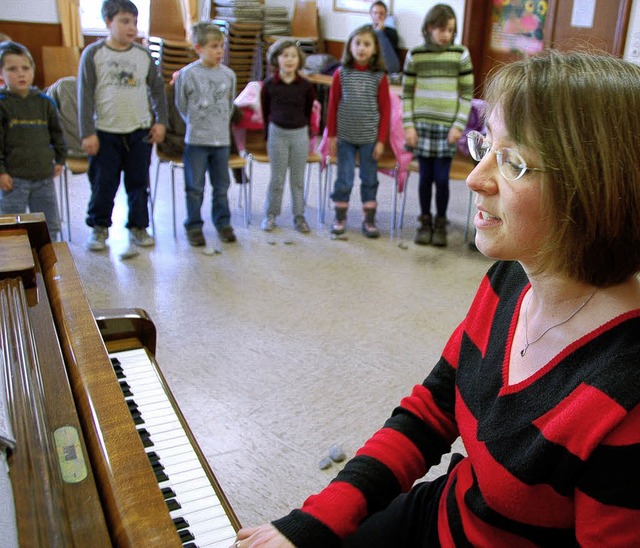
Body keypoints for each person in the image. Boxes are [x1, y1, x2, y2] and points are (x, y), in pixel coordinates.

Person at [233, 49, 640, 547]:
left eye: (512, 162)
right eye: (486, 145)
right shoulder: (508, 281)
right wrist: (316, 522)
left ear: (597, 189)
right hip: (442, 515)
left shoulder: (627, 396)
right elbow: (431, 411)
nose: (474, 178)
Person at [78, 0, 167, 252]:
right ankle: (99, 227)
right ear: (108, 22)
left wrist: (161, 122)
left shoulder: (143, 55)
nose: (132, 28)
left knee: (139, 183)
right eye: (125, 21)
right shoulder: (94, 55)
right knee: (104, 183)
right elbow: (85, 95)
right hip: (105, 132)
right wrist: (87, 132)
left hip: (139, 131)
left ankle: (138, 227)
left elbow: (158, 91)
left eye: (135, 22)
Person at [402, 4, 473, 247]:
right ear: (429, 27)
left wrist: (458, 125)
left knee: (441, 179)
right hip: (422, 127)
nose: (447, 35)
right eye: (442, 29)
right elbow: (407, 94)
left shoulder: (460, 54)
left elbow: (466, 94)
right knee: (425, 177)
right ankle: (425, 222)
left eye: (451, 30)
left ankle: (441, 222)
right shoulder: (416, 55)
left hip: (447, 129)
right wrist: (409, 126)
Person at [175, 22, 237, 246]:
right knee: (195, 188)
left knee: (221, 187)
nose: (220, 51)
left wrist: (217, 125)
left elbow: (229, 107)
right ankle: (193, 225)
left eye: (222, 46)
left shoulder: (229, 75)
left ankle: (223, 223)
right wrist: (197, 124)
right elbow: (181, 105)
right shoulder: (188, 74)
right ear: (198, 48)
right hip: (197, 141)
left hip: (221, 141)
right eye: (213, 46)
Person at [327, 24, 390, 239]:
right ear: (350, 46)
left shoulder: (379, 77)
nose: (361, 48)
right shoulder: (340, 74)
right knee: (343, 179)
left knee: (369, 178)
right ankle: (340, 216)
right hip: (344, 137)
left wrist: (381, 140)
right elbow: (332, 106)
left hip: (369, 139)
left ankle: (369, 218)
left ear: (374, 49)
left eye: (367, 44)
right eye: (357, 43)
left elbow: (385, 111)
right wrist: (332, 136)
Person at [0, 41, 65, 240]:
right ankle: (13, 266)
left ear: (33, 71)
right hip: (13, 180)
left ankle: (48, 265)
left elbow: (56, 133)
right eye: (12, 69)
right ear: (1, 74)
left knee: (48, 226)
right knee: (11, 228)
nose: (21, 73)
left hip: (43, 177)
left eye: (25, 68)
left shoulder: (45, 102)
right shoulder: (3, 104)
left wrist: (60, 159)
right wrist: (1, 172)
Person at [260, 39, 316, 234]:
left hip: (300, 134)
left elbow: (308, 111)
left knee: (298, 179)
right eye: (285, 56)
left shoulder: (306, 86)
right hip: (277, 134)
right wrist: (268, 136)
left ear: (298, 59)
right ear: (277, 59)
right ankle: (270, 214)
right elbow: (265, 111)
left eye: (293, 56)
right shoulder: (269, 85)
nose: (289, 60)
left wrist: (306, 134)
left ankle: (299, 216)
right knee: (277, 178)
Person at [369, 1, 400, 75]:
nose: (378, 16)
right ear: (371, 14)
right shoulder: (365, 30)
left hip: (386, 70)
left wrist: (379, 32)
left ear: (385, 15)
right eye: (375, 13)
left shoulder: (392, 33)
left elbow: (391, 57)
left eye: (381, 13)